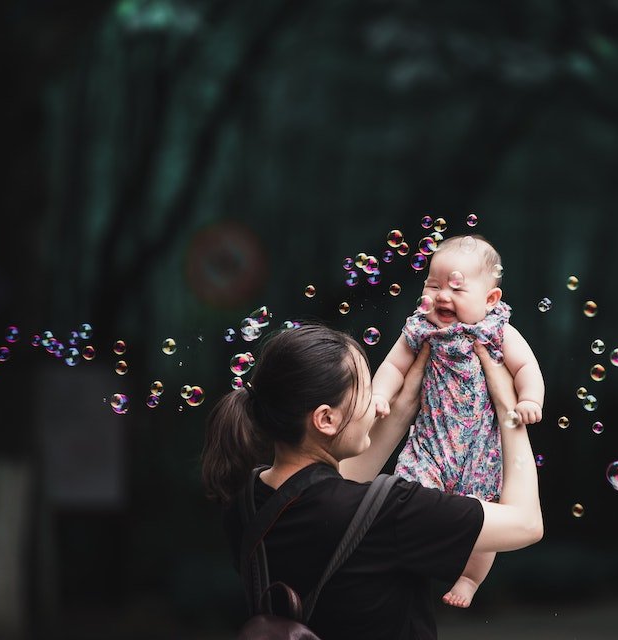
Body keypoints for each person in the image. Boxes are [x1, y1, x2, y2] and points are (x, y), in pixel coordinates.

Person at [202, 323, 542, 640]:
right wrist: (507, 410)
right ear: (325, 418)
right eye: (367, 391)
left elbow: (330, 498)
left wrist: (408, 400)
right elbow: (526, 524)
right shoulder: (392, 513)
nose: (377, 406)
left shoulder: (244, 504)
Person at [370, 234, 545, 607]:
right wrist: (380, 395)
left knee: (485, 516)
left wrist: (530, 398)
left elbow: (526, 366)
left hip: (481, 453)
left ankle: (470, 577)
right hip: (430, 445)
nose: (442, 296)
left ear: (490, 299)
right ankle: (410, 558)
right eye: (433, 285)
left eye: (456, 288)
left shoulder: (497, 330)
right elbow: (393, 366)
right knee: (409, 496)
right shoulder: (420, 328)